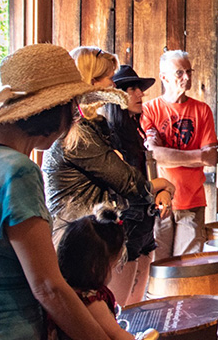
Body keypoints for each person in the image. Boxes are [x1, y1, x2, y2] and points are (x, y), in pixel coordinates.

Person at [0, 43, 129, 340]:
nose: (75, 117)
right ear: (53, 112)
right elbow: (47, 287)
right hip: (3, 330)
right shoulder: (17, 170)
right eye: (73, 107)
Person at [42, 49, 171, 305]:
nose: (114, 84)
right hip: (79, 241)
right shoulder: (77, 134)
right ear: (90, 83)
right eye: (109, 78)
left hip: (94, 236)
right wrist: (165, 184)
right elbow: (128, 181)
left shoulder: (94, 128)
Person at [141, 50, 218, 257]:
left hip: (192, 201)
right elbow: (154, 154)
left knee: (187, 267)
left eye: (189, 72)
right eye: (179, 73)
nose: (186, 77)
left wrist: (169, 155)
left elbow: (211, 158)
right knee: (157, 267)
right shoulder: (149, 110)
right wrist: (198, 156)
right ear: (164, 77)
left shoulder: (202, 110)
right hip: (159, 200)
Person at [102, 64, 167, 305]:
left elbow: (144, 177)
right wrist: (162, 185)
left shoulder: (136, 133)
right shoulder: (109, 135)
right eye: (132, 89)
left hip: (145, 223)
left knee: (137, 303)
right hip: (125, 226)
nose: (140, 94)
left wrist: (162, 192)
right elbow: (122, 185)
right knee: (121, 306)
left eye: (139, 89)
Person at [49, 205, 136, 340]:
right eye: (112, 266)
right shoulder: (91, 301)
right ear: (95, 267)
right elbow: (119, 336)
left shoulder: (64, 291)